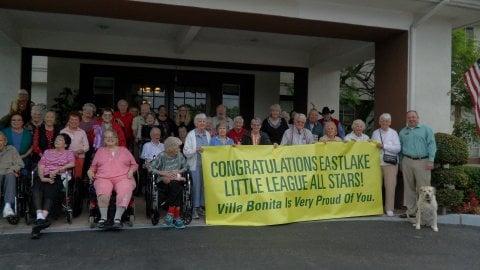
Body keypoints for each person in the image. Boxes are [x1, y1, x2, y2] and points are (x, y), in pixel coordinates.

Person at [87, 130, 138, 229]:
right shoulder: (100, 151)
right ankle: (103, 218)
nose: (110, 138)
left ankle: (117, 219)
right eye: (107, 137)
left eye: (112, 137)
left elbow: (134, 164)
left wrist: (131, 171)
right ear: (104, 140)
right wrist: (90, 171)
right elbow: (93, 167)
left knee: (125, 189)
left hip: (123, 177)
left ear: (117, 139)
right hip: (103, 177)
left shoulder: (124, 150)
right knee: (103, 191)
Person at [31, 133, 75, 239]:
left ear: (66, 144)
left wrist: (58, 170)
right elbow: (41, 165)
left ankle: (40, 220)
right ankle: (40, 218)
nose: (56, 141)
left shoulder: (69, 153)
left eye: (60, 140)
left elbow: (72, 164)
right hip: (45, 175)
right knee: (37, 186)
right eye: (56, 139)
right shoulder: (47, 152)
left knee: (51, 187)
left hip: (59, 176)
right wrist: (42, 177)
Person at [398, 110, 437, 218]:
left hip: (423, 161)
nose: (411, 119)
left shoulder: (426, 130)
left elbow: (432, 145)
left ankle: (425, 213)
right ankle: (411, 211)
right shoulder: (402, 132)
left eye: (413, 117)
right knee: (408, 187)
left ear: (418, 118)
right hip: (407, 161)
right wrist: (401, 162)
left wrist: (431, 160)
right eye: (409, 117)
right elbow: (400, 148)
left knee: (424, 189)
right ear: (407, 119)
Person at [148, 136, 188, 229]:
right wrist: (162, 174)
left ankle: (170, 214)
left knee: (175, 185)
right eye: (177, 147)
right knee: (176, 187)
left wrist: (178, 172)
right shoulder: (161, 156)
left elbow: (186, 167)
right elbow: (150, 168)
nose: (179, 149)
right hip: (164, 181)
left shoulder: (180, 155)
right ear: (171, 147)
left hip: (176, 179)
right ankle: (176, 217)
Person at [371, 113, 401, 217]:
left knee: (390, 186)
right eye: (382, 121)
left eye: (387, 121)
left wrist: (384, 146)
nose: (384, 123)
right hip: (377, 163)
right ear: (379, 122)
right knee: (376, 186)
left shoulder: (394, 133)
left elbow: (398, 148)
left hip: (390, 163)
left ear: (390, 122)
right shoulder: (375, 133)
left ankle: (389, 208)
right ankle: (376, 207)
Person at [183, 113, 211, 219]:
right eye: (200, 121)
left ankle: (201, 207)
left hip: (206, 166)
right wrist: (196, 149)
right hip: (194, 165)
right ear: (195, 123)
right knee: (195, 187)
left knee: (204, 187)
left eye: (204, 121)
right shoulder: (191, 134)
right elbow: (186, 151)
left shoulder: (208, 134)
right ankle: (194, 208)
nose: (202, 123)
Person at [0, 131, 24, 219]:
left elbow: (20, 164)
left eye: (0, 140)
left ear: (5, 142)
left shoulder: (11, 149)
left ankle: (7, 206)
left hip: (8, 173)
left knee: (11, 175)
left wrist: (12, 169)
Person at [61, 112, 89, 179]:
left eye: (76, 120)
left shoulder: (82, 132)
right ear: (68, 120)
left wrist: (81, 150)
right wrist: (72, 153)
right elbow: (60, 146)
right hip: (66, 157)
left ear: (79, 121)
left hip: (79, 157)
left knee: (77, 176)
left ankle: (76, 188)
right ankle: (67, 188)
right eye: (72, 119)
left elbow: (87, 146)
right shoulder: (63, 131)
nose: (74, 121)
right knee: (66, 176)